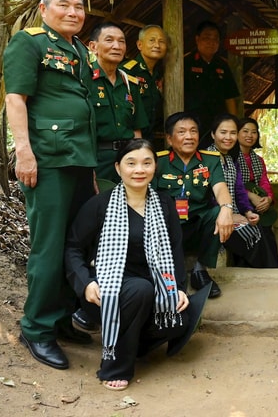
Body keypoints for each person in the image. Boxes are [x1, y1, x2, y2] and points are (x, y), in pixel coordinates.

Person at [3, 0, 97, 370]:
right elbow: (15, 98)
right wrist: (24, 153)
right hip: (49, 160)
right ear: (44, 9)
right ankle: (36, 328)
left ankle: (60, 319)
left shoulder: (80, 51)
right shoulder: (30, 42)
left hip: (78, 161)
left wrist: (91, 172)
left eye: (78, 6)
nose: (73, 12)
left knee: (74, 244)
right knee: (48, 246)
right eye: (64, 5)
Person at [65, 140, 209, 391]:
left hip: (156, 285)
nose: (139, 170)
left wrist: (178, 288)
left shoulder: (164, 205)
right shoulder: (100, 205)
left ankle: (135, 343)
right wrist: (86, 283)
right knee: (140, 290)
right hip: (107, 290)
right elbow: (73, 248)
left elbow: (175, 251)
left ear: (155, 167)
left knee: (178, 321)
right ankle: (115, 366)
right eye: (131, 163)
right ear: (118, 168)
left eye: (146, 163)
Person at [153, 112, 239, 299]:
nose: (189, 136)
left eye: (193, 131)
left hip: (197, 225)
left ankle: (201, 272)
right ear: (169, 138)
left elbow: (220, 187)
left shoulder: (210, 160)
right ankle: (168, 275)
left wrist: (226, 208)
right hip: (166, 228)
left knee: (217, 212)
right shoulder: (157, 161)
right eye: (181, 132)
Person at [207, 114, 278, 268]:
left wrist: (247, 212)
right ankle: (268, 277)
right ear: (213, 134)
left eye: (232, 133)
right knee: (254, 237)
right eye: (223, 132)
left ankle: (270, 275)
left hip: (234, 213)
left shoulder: (230, 159)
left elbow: (238, 189)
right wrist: (229, 213)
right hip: (216, 217)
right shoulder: (205, 159)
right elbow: (207, 195)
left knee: (260, 230)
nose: (228, 137)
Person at [85, 21, 148, 181]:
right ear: (93, 47)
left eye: (121, 41)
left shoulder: (129, 83)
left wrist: (138, 157)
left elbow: (136, 128)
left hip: (128, 158)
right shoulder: (83, 79)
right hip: (96, 159)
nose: (117, 46)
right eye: (109, 40)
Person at [183, 21, 239, 147]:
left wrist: (234, 123)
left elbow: (230, 97)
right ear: (197, 39)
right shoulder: (185, 63)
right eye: (207, 38)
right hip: (193, 123)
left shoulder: (222, 65)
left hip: (218, 124)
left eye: (215, 39)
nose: (211, 42)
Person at [122, 25, 168, 146]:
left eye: (161, 41)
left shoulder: (159, 73)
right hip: (130, 138)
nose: (157, 45)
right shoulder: (128, 71)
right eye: (152, 40)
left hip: (151, 137)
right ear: (140, 45)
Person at [237, 117, 278, 232]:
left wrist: (268, 199)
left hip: (257, 203)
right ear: (236, 133)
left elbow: (264, 182)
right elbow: (231, 184)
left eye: (254, 132)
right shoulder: (231, 158)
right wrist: (249, 195)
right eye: (245, 131)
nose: (250, 135)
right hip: (239, 202)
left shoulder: (258, 160)